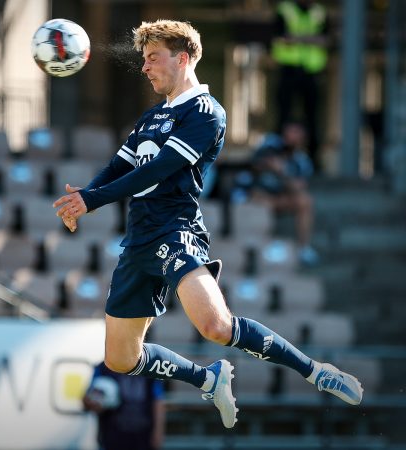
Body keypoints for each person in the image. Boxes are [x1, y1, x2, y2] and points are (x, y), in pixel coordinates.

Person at [53, 19, 362, 429]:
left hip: (176, 232)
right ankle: (207, 377)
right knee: (121, 360)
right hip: (138, 242)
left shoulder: (205, 112)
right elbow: (119, 166)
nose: (144, 67)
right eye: (144, 59)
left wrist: (91, 200)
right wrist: (83, 197)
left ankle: (315, 371)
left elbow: (160, 169)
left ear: (182, 59)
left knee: (216, 326)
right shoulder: (151, 117)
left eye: (153, 58)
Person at [271, 0, 330, 170]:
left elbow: (326, 39)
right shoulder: (285, 9)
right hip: (288, 70)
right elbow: (281, 37)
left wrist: (297, 38)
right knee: (283, 115)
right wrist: (311, 39)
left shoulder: (319, 11)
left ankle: (314, 159)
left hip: (311, 71)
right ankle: (278, 157)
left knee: (312, 117)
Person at [250, 122, 318, 266]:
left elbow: (299, 188)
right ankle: (263, 249)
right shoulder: (269, 146)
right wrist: (267, 164)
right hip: (258, 197)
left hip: (281, 198)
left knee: (305, 201)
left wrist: (282, 171)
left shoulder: (302, 161)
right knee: (259, 199)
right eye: (289, 133)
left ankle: (304, 248)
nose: (291, 137)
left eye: (296, 134)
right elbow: (252, 165)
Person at [83, 361, 167, 450]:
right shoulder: (104, 366)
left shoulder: (150, 366)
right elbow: (87, 400)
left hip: (143, 434)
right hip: (112, 434)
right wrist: (95, 403)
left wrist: (158, 432)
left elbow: (158, 401)